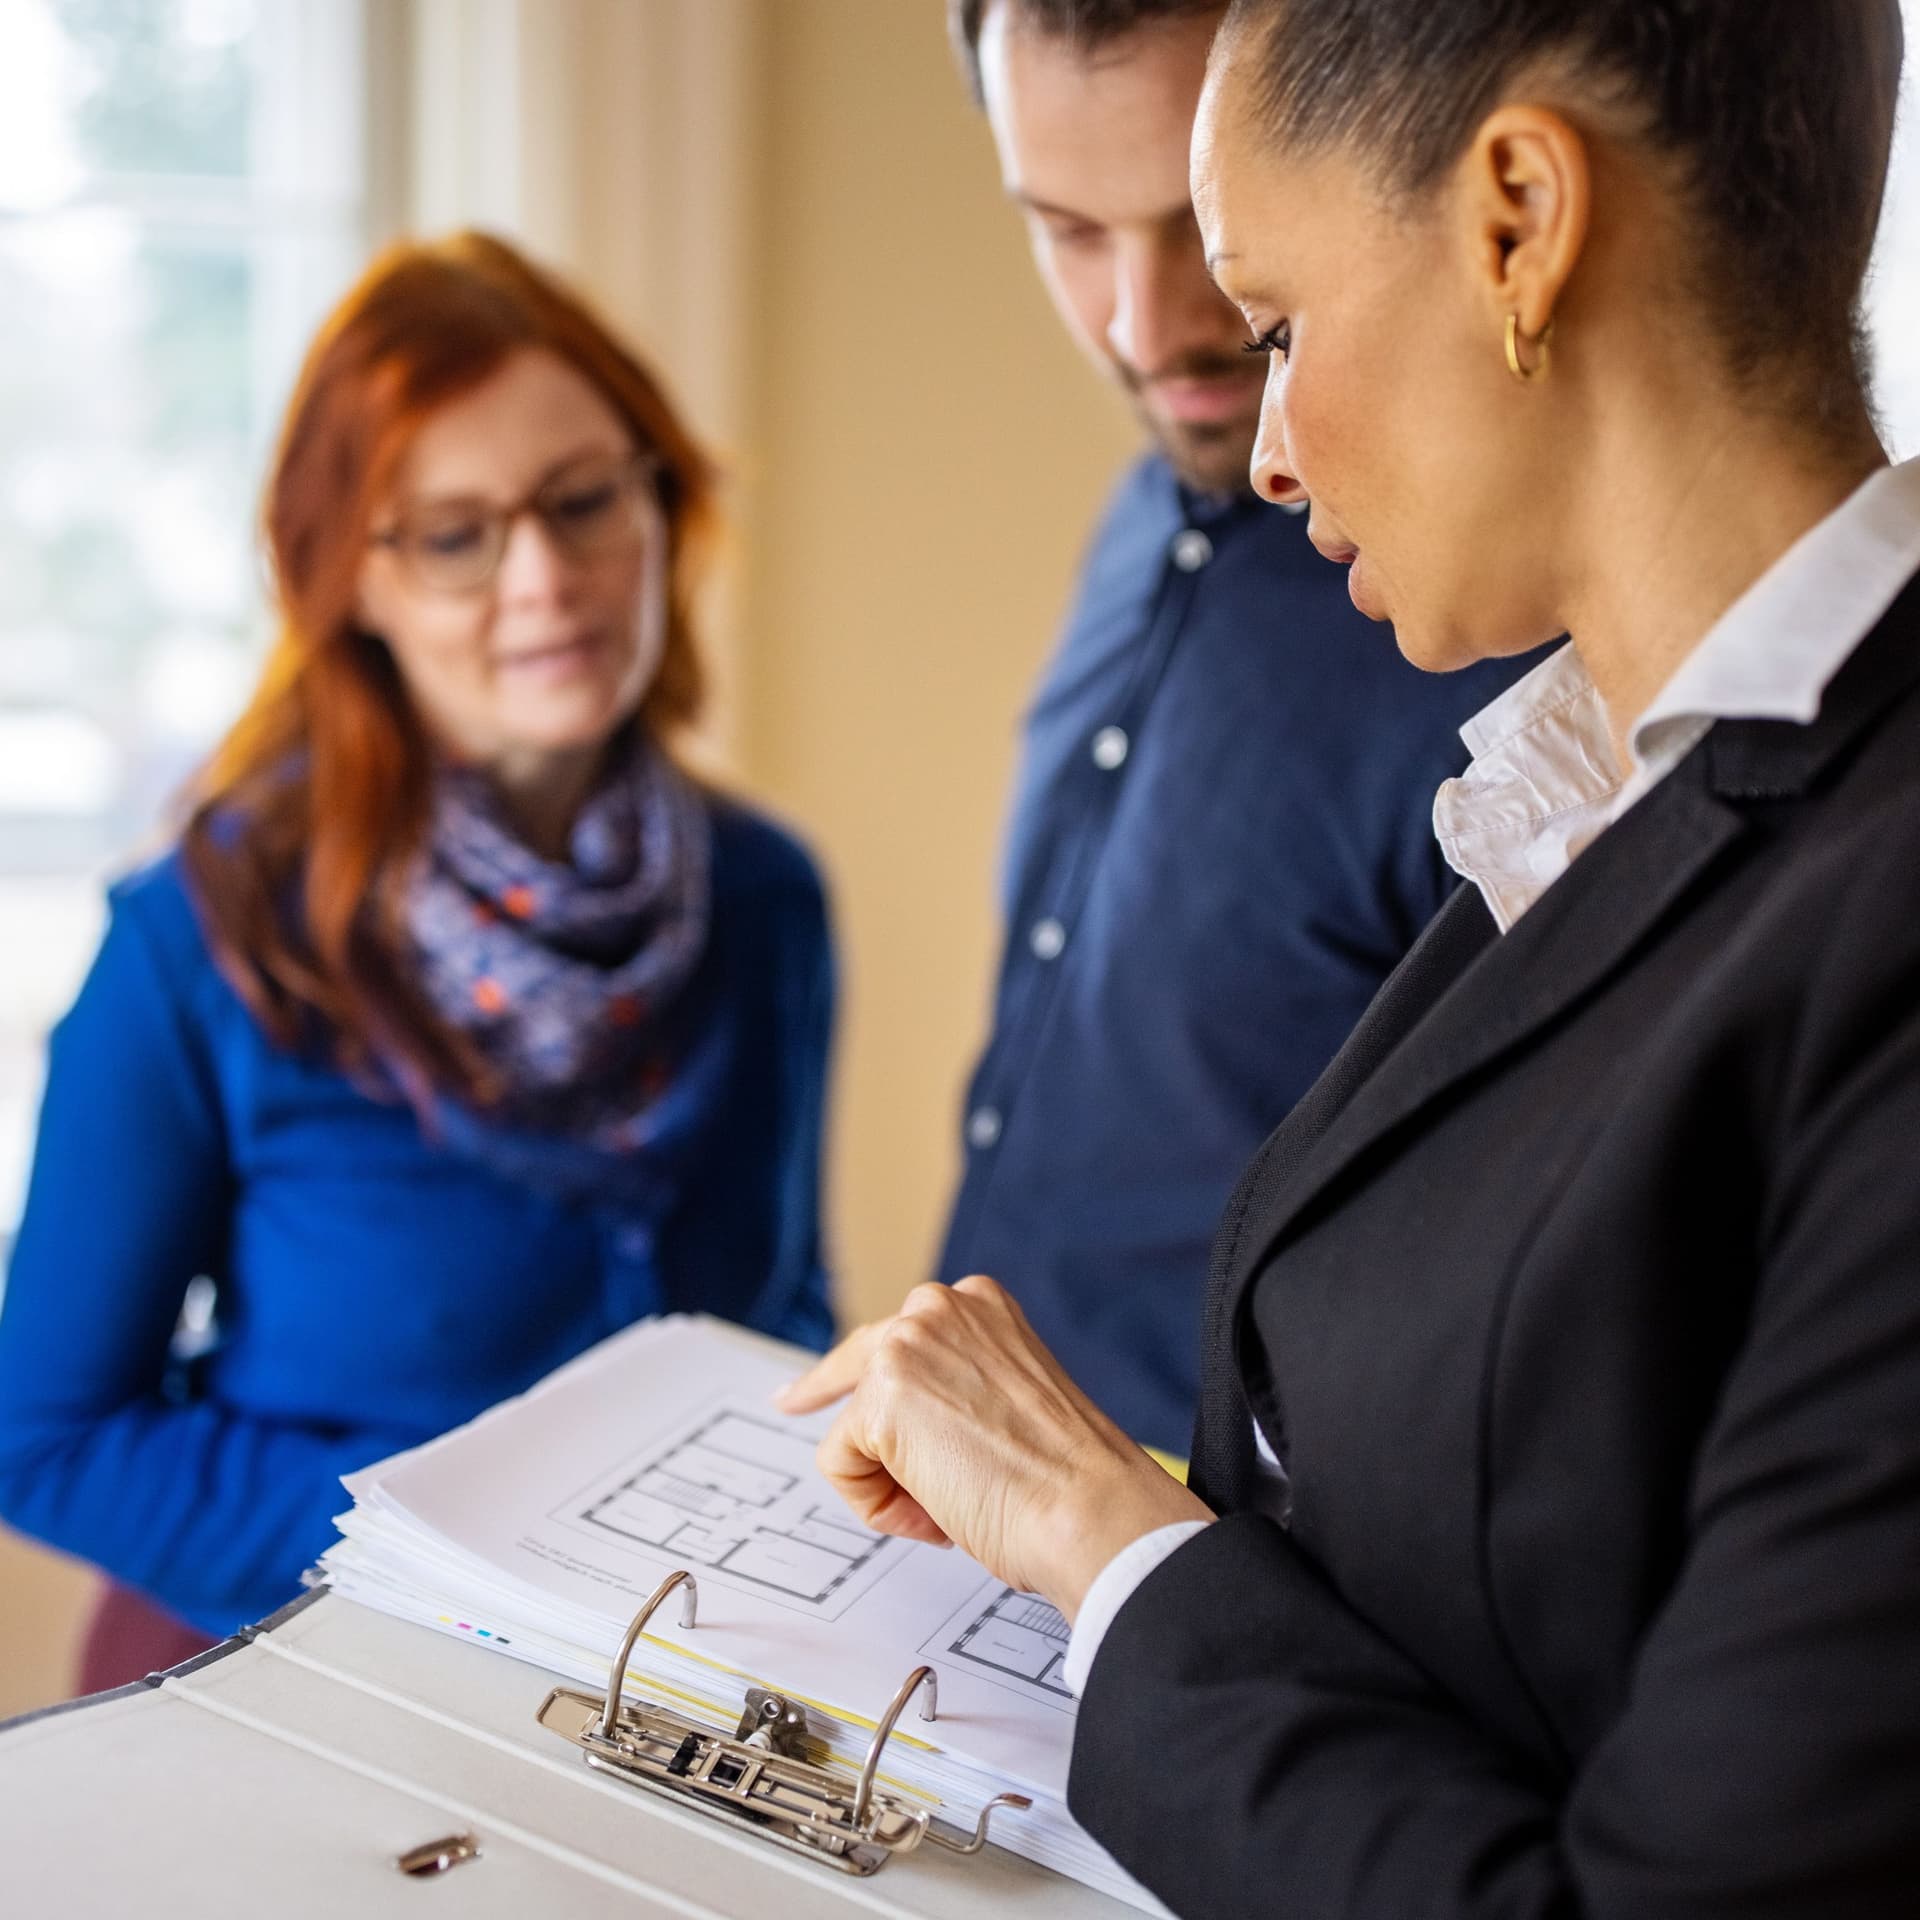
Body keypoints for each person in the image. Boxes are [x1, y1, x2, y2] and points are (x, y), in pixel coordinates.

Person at [781, 1, 1920, 1912]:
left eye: (1280, 323)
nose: (1270, 441)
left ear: (1518, 222)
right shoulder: (1569, 797)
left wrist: (1108, 1545)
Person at [0, 233, 835, 1683]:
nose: (545, 578)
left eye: (584, 502)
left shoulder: (765, 897)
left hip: (641, 1706)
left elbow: (778, 1313)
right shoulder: (200, 935)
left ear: (662, 504)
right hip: (281, 1691)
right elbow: (44, 1434)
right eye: (455, 535)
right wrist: (488, 1555)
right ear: (351, 582)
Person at [935, 0, 1534, 1455]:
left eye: (1196, 219)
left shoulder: (1494, 636)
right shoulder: (1140, 523)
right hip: (969, 1517)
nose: (1147, 326)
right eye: (1069, 232)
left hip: (1223, 1587)